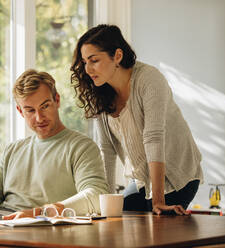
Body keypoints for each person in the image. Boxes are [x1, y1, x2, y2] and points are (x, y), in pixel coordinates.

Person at [0, 69, 108, 229]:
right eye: (30, 110)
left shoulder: (81, 147)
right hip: (4, 223)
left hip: (40, 227)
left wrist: (39, 213)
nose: (39, 118)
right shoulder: (13, 150)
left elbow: (96, 194)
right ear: (20, 111)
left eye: (45, 106)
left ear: (57, 100)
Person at [70, 24, 203, 215]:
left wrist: (158, 201)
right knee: (119, 218)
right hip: (142, 179)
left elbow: (153, 137)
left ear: (117, 56)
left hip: (176, 175)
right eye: (84, 62)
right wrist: (104, 203)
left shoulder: (149, 79)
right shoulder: (99, 92)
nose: (88, 69)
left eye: (94, 60)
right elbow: (107, 149)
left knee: (156, 228)